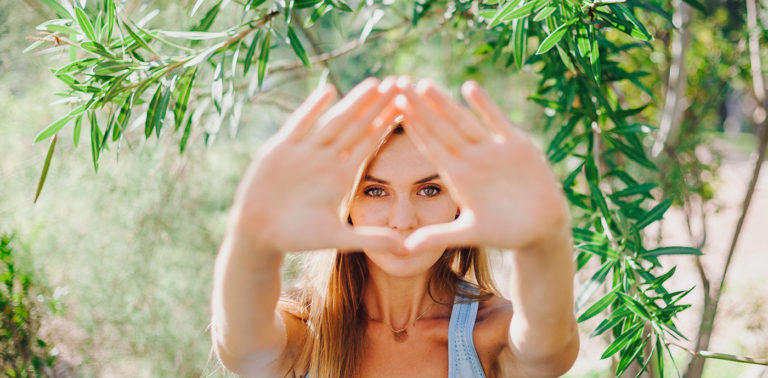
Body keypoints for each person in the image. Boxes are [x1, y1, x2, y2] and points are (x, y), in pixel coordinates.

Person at [210, 76, 579, 377]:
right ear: (347, 203)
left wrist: (544, 242)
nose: (403, 222)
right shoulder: (303, 333)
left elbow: (550, 351)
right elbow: (240, 346)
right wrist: (252, 239)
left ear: (460, 202)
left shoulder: (490, 332)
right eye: (375, 191)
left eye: (430, 189)